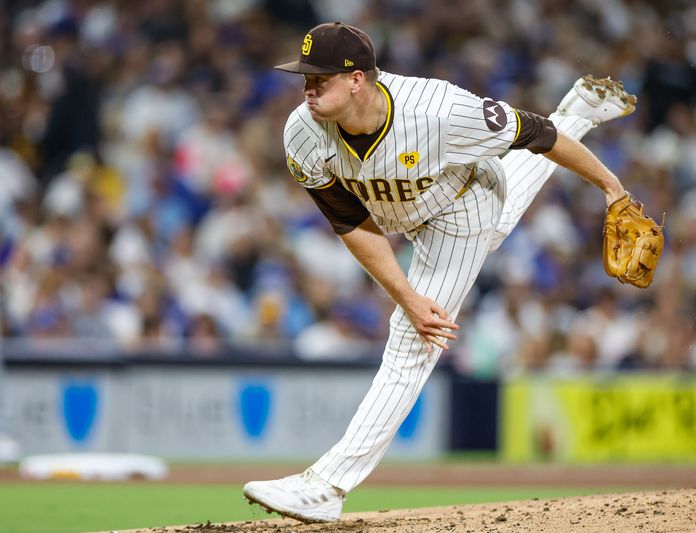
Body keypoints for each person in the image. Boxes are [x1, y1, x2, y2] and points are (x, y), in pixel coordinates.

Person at [244, 21, 636, 523]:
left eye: (320, 78)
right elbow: (352, 222)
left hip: (462, 200)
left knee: (413, 339)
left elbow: (536, 134)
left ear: (358, 79)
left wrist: (612, 187)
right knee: (470, 252)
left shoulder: (440, 111)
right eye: (305, 77)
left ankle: (328, 485)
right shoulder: (302, 132)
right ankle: (580, 110)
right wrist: (404, 291)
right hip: (402, 213)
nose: (308, 87)